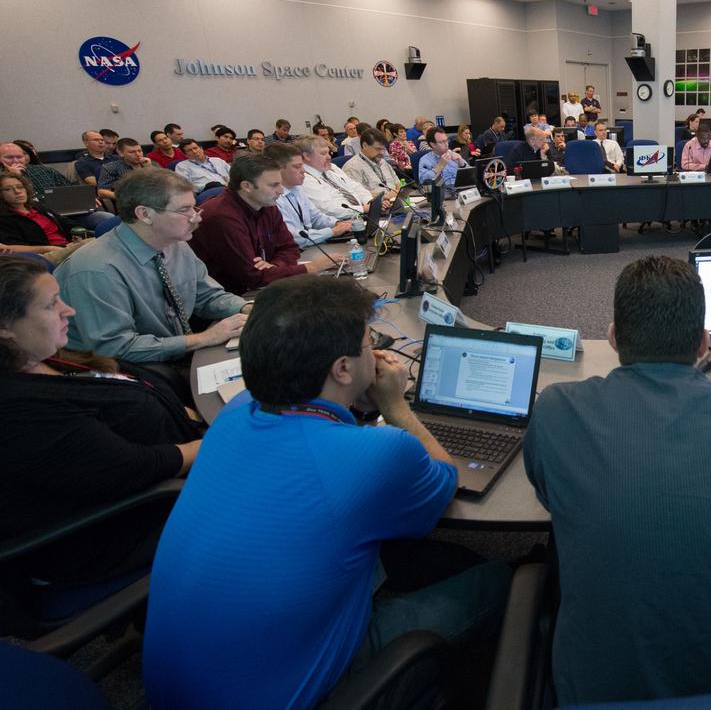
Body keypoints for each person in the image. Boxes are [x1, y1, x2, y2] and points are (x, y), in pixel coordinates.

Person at [144, 275, 509, 707]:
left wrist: (348, 401)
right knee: (511, 580)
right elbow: (444, 478)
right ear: (342, 368)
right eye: (368, 343)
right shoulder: (382, 452)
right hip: (308, 697)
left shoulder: (232, 416)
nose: (375, 353)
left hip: (177, 688)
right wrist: (395, 407)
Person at [524, 256, 711, 704]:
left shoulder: (556, 410)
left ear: (613, 338)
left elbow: (548, 494)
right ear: (703, 344)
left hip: (601, 691)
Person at [0, 254, 203, 584]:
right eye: (52, 305)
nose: (70, 310)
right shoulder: (18, 411)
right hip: (120, 526)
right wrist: (217, 442)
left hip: (176, 471)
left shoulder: (47, 355)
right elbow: (134, 467)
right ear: (5, 328)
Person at [54, 169, 248, 363]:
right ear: (145, 214)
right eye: (184, 210)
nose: (196, 217)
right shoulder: (97, 270)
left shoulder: (175, 244)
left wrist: (247, 309)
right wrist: (204, 339)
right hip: (118, 371)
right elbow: (114, 348)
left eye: (194, 208)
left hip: (170, 354)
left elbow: (206, 296)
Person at [189, 154, 327, 295]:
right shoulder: (222, 217)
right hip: (231, 296)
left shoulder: (266, 204)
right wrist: (312, 267)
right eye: (274, 185)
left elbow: (290, 247)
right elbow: (251, 276)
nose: (280, 190)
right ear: (247, 186)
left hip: (260, 286)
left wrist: (275, 266)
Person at [263, 142, 353, 247]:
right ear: (277, 169)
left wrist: (337, 223)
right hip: (296, 250)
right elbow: (293, 237)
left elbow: (316, 217)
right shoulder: (273, 199)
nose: (304, 171)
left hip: (311, 245)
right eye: (297, 167)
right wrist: (332, 231)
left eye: (302, 166)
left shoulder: (297, 188)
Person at [0, 172, 88, 262]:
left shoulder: (37, 206)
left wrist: (76, 235)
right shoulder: (4, 218)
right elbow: (17, 250)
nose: (17, 191)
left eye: (20, 187)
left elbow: (66, 223)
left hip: (67, 246)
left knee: (97, 240)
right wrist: (48, 249)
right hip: (43, 257)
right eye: (8, 189)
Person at [301, 135, 374, 220]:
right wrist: (362, 209)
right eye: (323, 153)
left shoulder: (331, 167)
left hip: (360, 215)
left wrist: (369, 202)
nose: (329, 157)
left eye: (328, 153)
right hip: (339, 222)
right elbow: (326, 209)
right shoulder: (303, 178)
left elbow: (355, 186)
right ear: (307, 156)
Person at [344, 129, 401, 201]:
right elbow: (356, 195)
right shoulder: (352, 167)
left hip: (395, 201)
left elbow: (397, 182)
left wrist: (398, 193)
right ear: (365, 146)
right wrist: (386, 196)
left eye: (383, 149)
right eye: (378, 149)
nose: (382, 153)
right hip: (374, 206)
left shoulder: (383, 162)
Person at [1, 140, 74, 194]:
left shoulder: (44, 171)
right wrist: (14, 176)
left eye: (19, 157)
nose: (16, 161)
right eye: (9, 157)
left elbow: (72, 190)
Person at [418, 128, 467, 195]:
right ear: (433, 144)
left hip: (462, 191)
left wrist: (462, 164)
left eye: (446, 141)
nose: (446, 144)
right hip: (443, 195)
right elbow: (424, 182)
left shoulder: (453, 155)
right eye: (442, 142)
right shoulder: (425, 160)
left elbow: (472, 176)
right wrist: (440, 166)